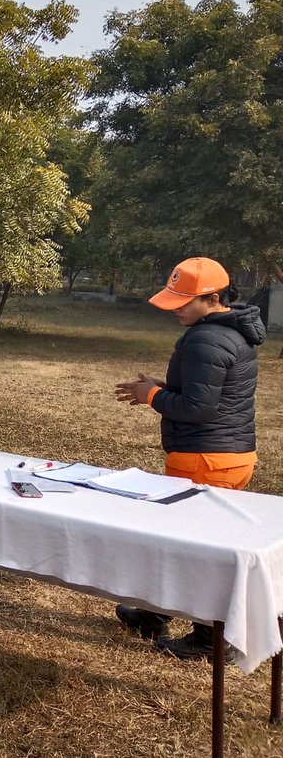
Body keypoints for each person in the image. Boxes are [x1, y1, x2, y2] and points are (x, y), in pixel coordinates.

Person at [113, 257, 266, 660]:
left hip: (204, 456)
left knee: (198, 549)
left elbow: (198, 407)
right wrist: (161, 387)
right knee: (185, 540)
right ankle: (152, 615)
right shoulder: (232, 331)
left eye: (184, 302)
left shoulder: (206, 339)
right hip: (230, 453)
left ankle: (211, 639)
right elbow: (214, 393)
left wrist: (151, 396)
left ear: (213, 298)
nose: (175, 308)